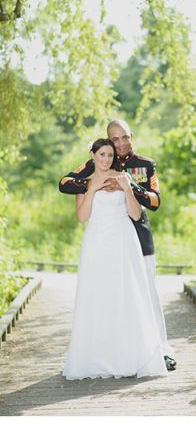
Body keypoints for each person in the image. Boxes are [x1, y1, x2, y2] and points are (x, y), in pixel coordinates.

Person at [59, 119, 175, 371]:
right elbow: (64, 183)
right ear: (107, 141)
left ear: (131, 136)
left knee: (147, 295)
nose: (120, 143)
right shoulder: (96, 162)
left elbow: (155, 201)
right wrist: (94, 184)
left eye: (125, 137)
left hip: (137, 236)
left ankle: (161, 350)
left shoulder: (145, 165)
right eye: (115, 139)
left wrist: (127, 186)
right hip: (104, 240)